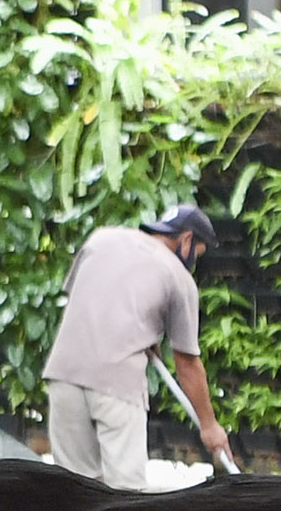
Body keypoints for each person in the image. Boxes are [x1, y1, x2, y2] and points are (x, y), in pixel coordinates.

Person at [40, 203, 237, 488]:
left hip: (64, 375)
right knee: (127, 496)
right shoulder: (179, 278)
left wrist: (143, 334)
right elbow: (187, 363)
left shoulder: (101, 239)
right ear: (186, 240)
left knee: (73, 489)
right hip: (117, 387)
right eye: (197, 253)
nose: (193, 261)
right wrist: (209, 426)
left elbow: (90, 300)